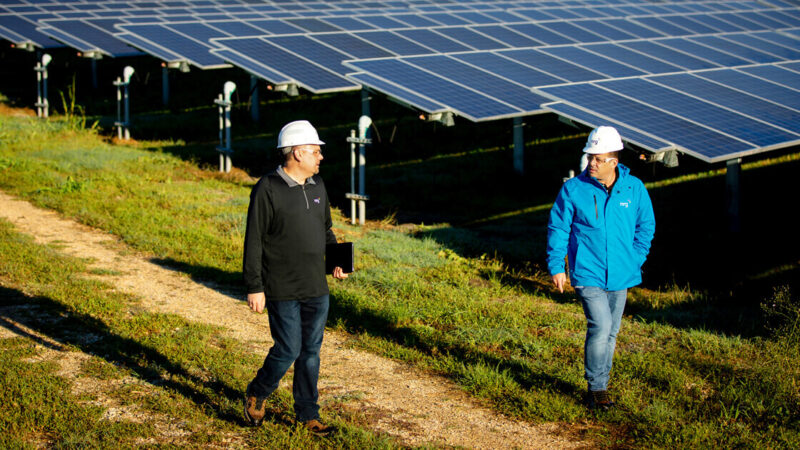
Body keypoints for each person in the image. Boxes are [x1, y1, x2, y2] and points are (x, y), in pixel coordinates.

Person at [242, 120, 348, 434]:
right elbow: (254, 239)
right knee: (288, 349)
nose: (321, 157)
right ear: (298, 153)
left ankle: (308, 414)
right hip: (281, 287)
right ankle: (258, 391)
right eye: (315, 151)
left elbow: (325, 230)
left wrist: (338, 262)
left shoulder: (318, 186)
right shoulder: (267, 188)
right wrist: (254, 286)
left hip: (316, 287)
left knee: (311, 352)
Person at [546, 126, 655, 411]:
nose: (591, 163)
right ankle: (596, 388)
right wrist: (557, 266)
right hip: (587, 272)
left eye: (597, 158)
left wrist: (635, 258)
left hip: (621, 274)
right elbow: (558, 228)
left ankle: (601, 384)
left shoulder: (634, 188)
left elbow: (645, 226)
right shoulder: (573, 189)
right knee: (601, 325)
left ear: (613, 162)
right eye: (590, 157)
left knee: (612, 331)